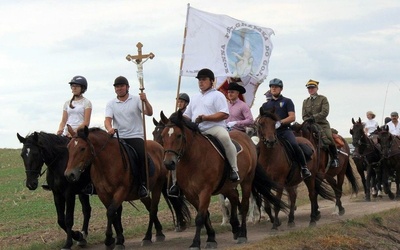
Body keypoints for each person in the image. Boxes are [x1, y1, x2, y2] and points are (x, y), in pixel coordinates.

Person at [184, 68, 240, 180]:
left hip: (214, 128)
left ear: (212, 81)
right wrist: (176, 118)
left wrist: (206, 118)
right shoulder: (195, 97)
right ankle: (176, 180)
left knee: (225, 138)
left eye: (204, 79)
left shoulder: (218, 95)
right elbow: (187, 116)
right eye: (199, 80)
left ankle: (234, 169)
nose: (201, 82)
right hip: (197, 129)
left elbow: (224, 114)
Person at [104, 76, 153, 198]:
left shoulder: (136, 100)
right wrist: (109, 129)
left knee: (142, 155)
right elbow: (107, 120)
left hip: (135, 136)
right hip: (119, 137)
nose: (119, 88)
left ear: (127, 87)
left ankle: (143, 184)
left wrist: (145, 100)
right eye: (117, 87)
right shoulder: (111, 103)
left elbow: (149, 113)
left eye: (121, 86)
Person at [261, 78, 312, 179]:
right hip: (270, 132)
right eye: (272, 87)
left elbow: (292, 117)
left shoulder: (287, 101)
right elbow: (262, 119)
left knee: (294, 144)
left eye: (276, 87)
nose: (273, 88)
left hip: (284, 131)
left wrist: (280, 122)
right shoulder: (266, 105)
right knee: (257, 147)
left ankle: (304, 168)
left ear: (281, 89)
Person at [302, 79, 338, 168]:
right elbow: (304, 115)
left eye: (312, 88)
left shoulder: (323, 99)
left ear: (317, 88)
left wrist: (314, 117)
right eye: (309, 88)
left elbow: (325, 112)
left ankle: (335, 158)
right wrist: (307, 120)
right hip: (309, 124)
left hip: (322, 123)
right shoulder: (305, 101)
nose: (310, 89)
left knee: (329, 138)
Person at [169, 93, 190, 197]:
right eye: (178, 101)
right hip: (179, 143)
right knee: (174, 161)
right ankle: (175, 183)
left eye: (181, 101)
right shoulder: (174, 115)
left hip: (189, 140)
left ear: (186, 103)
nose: (179, 103)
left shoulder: (188, 113)